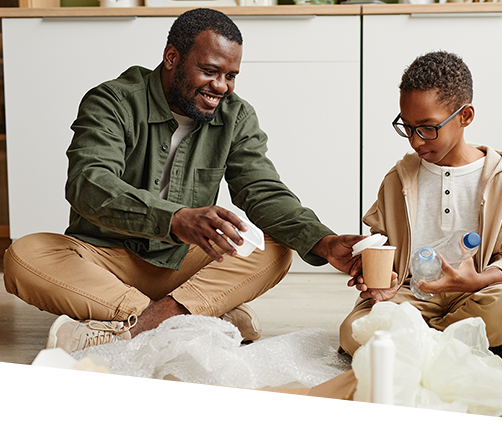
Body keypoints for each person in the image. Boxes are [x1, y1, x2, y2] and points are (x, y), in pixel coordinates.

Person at [3, 8, 363, 354]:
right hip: (104, 261)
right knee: (23, 256)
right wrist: (174, 219)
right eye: (210, 71)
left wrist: (324, 241)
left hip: (181, 263)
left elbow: (262, 191)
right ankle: (201, 317)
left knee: (277, 248)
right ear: (172, 57)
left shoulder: (236, 117)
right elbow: (89, 183)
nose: (221, 86)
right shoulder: (112, 101)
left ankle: (138, 326)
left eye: (231, 75)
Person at [339, 51, 502, 359]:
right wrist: (381, 281)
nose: (416, 141)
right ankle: (455, 342)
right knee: (353, 330)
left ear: (465, 116)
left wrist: (479, 279)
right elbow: (382, 247)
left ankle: (419, 343)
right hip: (411, 296)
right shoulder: (398, 179)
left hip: (475, 294)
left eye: (427, 127)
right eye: (407, 127)